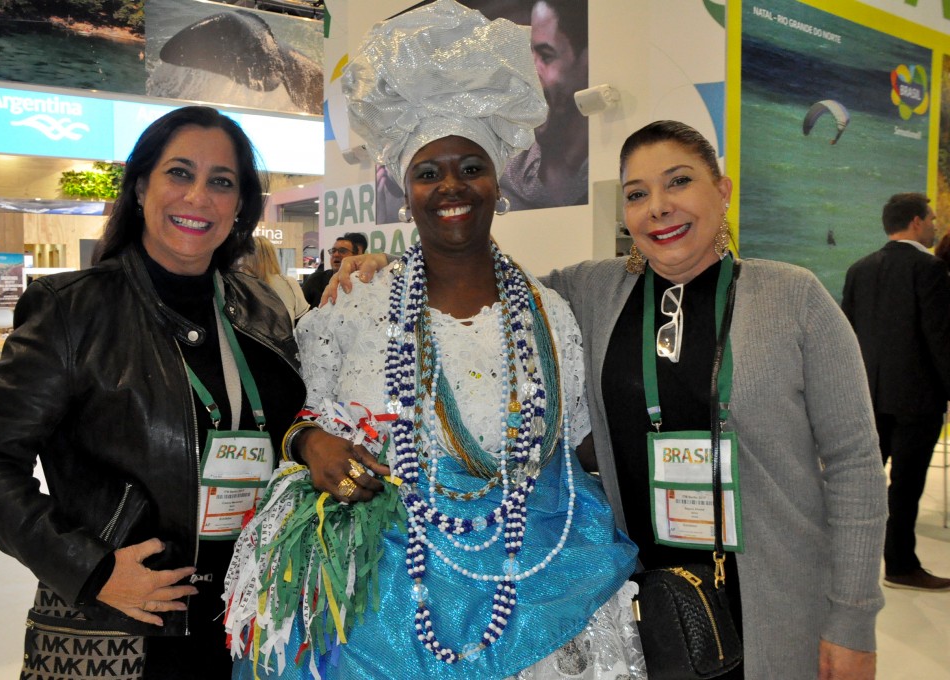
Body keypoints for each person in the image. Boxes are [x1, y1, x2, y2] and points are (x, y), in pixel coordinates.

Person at [332, 120, 888, 679]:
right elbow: (476, 283)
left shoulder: (793, 298)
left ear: (722, 191)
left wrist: (853, 621)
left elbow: (855, 465)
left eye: (679, 182)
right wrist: (387, 270)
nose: (659, 207)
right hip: (647, 596)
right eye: (637, 194)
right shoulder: (591, 293)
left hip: (778, 595)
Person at [224, 2, 642, 678]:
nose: (452, 185)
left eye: (470, 166)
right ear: (404, 188)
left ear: (498, 179)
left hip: (536, 588)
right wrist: (312, 443)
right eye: (429, 171)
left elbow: (573, 443)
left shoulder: (551, 312)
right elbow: (304, 416)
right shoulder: (357, 305)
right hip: (381, 605)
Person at [0, 106, 305, 679]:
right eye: (179, 173)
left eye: (221, 181)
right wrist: (91, 569)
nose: (198, 197)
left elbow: (294, 429)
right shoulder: (73, 309)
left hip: (252, 620)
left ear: (241, 205)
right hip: (120, 624)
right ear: (141, 186)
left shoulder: (262, 310)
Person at [841, 193, 950, 592]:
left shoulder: (859, 269)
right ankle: (901, 565)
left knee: (860, 484)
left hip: (869, 395)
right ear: (917, 223)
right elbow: (939, 337)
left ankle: (840, 562)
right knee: (905, 487)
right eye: (933, 218)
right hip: (917, 400)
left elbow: (848, 336)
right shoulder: (931, 269)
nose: (936, 224)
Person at [499, 0, 589, 210]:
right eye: (529, 57)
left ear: (586, 64)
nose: (530, 76)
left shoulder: (612, 165)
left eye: (546, 56)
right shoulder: (507, 170)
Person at [243, 234, 310, 324]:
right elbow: (303, 320)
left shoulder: (242, 285)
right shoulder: (289, 284)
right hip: (286, 336)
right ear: (272, 256)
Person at [300, 231, 366, 307]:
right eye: (333, 251)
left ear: (355, 256)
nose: (336, 254)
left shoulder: (363, 282)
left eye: (342, 251)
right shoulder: (315, 280)